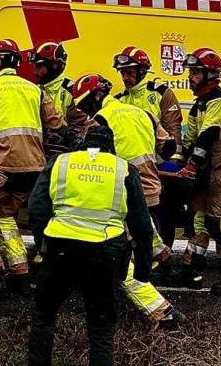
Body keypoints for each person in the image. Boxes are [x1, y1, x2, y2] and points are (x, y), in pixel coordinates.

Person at [26, 127, 153, 366]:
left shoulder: (60, 163)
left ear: (83, 143)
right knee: (101, 330)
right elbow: (142, 226)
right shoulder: (123, 168)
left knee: (44, 317)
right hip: (105, 254)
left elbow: (36, 209)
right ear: (111, 147)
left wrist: (44, 245)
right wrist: (143, 272)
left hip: (60, 249)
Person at [70, 74, 184, 328]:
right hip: (151, 188)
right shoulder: (142, 112)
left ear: (98, 96)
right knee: (143, 233)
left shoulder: (100, 121)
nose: (86, 111)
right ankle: (160, 257)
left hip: (123, 192)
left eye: (87, 104)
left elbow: (93, 162)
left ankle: (159, 308)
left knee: (118, 253)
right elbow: (167, 148)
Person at [0, 39, 66, 297]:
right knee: (3, 213)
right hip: (35, 170)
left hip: (4, 166)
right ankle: (19, 272)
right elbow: (57, 124)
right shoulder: (36, 90)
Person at [177, 48, 221, 295]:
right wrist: (176, 159)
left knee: (216, 221)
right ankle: (191, 268)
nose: (191, 77)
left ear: (211, 74)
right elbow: (191, 138)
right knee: (197, 220)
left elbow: (208, 135)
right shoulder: (200, 103)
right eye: (191, 72)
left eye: (196, 72)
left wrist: (192, 164)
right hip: (209, 170)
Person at [112, 46, 185, 250]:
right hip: (126, 167)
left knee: (159, 213)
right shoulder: (118, 100)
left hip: (157, 166)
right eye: (122, 72)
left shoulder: (161, 93)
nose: (125, 77)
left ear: (142, 71)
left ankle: (161, 254)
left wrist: (173, 163)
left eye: (129, 72)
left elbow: (173, 128)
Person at [29, 42, 89, 146]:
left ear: (54, 66)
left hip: (63, 153)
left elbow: (79, 129)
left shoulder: (72, 92)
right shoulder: (35, 90)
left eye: (39, 67)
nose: (35, 72)